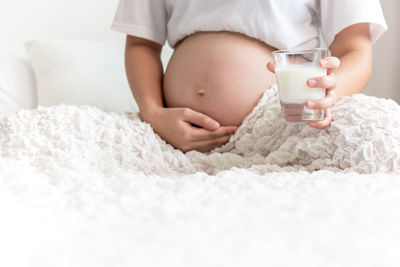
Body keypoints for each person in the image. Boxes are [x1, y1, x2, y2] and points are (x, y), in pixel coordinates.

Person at [111, 0, 387, 153]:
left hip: (284, 125)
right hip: (170, 136)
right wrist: (153, 113)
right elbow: (141, 44)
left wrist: (330, 93)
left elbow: (355, 50)